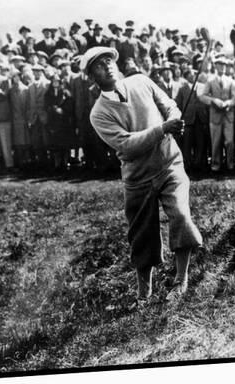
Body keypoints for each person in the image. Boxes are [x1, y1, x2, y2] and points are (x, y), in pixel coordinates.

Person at [84, 46, 202, 302]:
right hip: (138, 177)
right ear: (93, 77)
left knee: (181, 215)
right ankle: (144, 294)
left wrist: (174, 117)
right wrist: (162, 129)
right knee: (142, 235)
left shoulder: (141, 81)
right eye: (99, 65)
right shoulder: (98, 113)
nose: (107, 66)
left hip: (169, 162)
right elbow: (127, 144)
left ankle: (181, 280)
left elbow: (169, 104)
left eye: (108, 60)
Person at [198, 57, 235, 172]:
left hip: (228, 115)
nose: (222, 67)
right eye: (220, 65)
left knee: (229, 141)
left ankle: (230, 164)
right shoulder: (210, 81)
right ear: (215, 66)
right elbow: (202, 96)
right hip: (215, 115)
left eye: (224, 65)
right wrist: (214, 101)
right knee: (215, 142)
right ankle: (216, 165)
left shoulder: (231, 81)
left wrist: (228, 103)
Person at [174, 69, 209, 171]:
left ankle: (199, 164)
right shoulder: (182, 89)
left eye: (193, 74)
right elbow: (179, 104)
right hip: (188, 119)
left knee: (200, 142)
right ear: (186, 76)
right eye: (189, 74)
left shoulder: (202, 87)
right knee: (187, 143)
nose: (192, 76)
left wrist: (205, 116)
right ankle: (187, 164)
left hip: (200, 119)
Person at [45, 75, 76, 170]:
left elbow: (70, 104)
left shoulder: (65, 92)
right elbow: (46, 104)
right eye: (53, 81)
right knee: (55, 143)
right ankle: (57, 163)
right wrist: (53, 109)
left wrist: (62, 110)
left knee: (65, 144)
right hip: (53, 121)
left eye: (57, 81)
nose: (55, 83)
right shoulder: (48, 93)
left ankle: (66, 162)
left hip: (64, 121)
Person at [26, 65, 51, 168]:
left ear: (42, 72)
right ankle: (41, 162)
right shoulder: (30, 86)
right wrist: (29, 116)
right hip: (34, 117)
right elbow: (28, 103)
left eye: (39, 71)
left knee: (46, 140)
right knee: (36, 141)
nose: (37, 73)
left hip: (44, 116)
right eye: (35, 71)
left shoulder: (47, 84)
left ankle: (49, 162)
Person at [8, 70, 30, 170]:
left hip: (25, 117)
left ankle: (27, 160)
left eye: (18, 76)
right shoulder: (10, 90)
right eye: (14, 77)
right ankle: (20, 161)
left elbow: (29, 105)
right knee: (17, 142)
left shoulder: (26, 89)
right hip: (15, 118)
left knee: (26, 140)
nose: (16, 78)